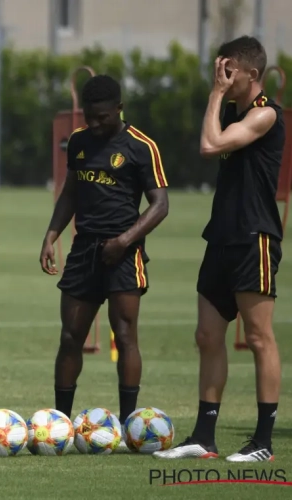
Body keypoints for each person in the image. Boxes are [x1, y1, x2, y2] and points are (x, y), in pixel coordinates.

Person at [155, 36, 284, 462]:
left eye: (229, 70)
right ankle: (204, 438)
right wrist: (219, 98)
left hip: (255, 238)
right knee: (208, 335)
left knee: (259, 337)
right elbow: (213, 138)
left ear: (250, 72)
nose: (222, 76)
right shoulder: (232, 111)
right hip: (222, 237)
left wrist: (215, 93)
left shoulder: (266, 114)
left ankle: (262, 442)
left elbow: (209, 146)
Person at [39, 75, 169, 445]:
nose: (94, 125)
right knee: (70, 336)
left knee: (125, 334)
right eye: (89, 117)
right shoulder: (79, 141)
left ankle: (131, 424)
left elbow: (160, 205)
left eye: (101, 118)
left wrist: (125, 240)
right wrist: (51, 235)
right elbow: (71, 192)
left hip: (124, 253)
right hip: (84, 251)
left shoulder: (141, 146)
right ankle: (60, 424)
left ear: (118, 109)